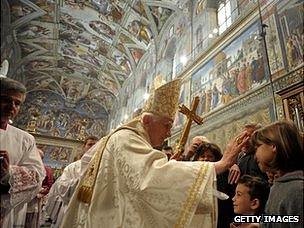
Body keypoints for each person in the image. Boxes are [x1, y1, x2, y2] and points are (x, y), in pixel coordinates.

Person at [61, 78, 249, 227]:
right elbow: (150, 177)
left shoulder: (129, 138)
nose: (169, 133)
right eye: (166, 125)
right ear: (147, 121)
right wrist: (220, 164)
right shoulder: (126, 138)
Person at [0, 77, 46, 227]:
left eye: (17, 103)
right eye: (6, 100)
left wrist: (8, 173)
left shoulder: (25, 139)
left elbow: (37, 177)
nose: (12, 106)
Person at [251, 121, 303, 228]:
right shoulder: (279, 185)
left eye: (257, 147)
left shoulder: (297, 190)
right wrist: (258, 226)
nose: (255, 156)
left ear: (273, 146)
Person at [44, 136, 98, 228]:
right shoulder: (72, 167)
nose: (92, 147)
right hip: (70, 208)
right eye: (90, 144)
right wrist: (82, 181)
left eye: (95, 145)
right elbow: (62, 188)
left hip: (92, 211)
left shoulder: (101, 167)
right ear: (84, 147)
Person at [192, 140, 235, 228]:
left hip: (222, 218)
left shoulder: (225, 175)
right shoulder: (192, 175)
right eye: (202, 156)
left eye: (210, 156)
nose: (205, 159)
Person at [25, 148, 54, 228]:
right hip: (22, 199)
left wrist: (39, 191)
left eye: (40, 157)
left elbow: (49, 185)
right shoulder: (25, 166)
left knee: (31, 220)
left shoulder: (47, 169)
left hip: (36, 199)